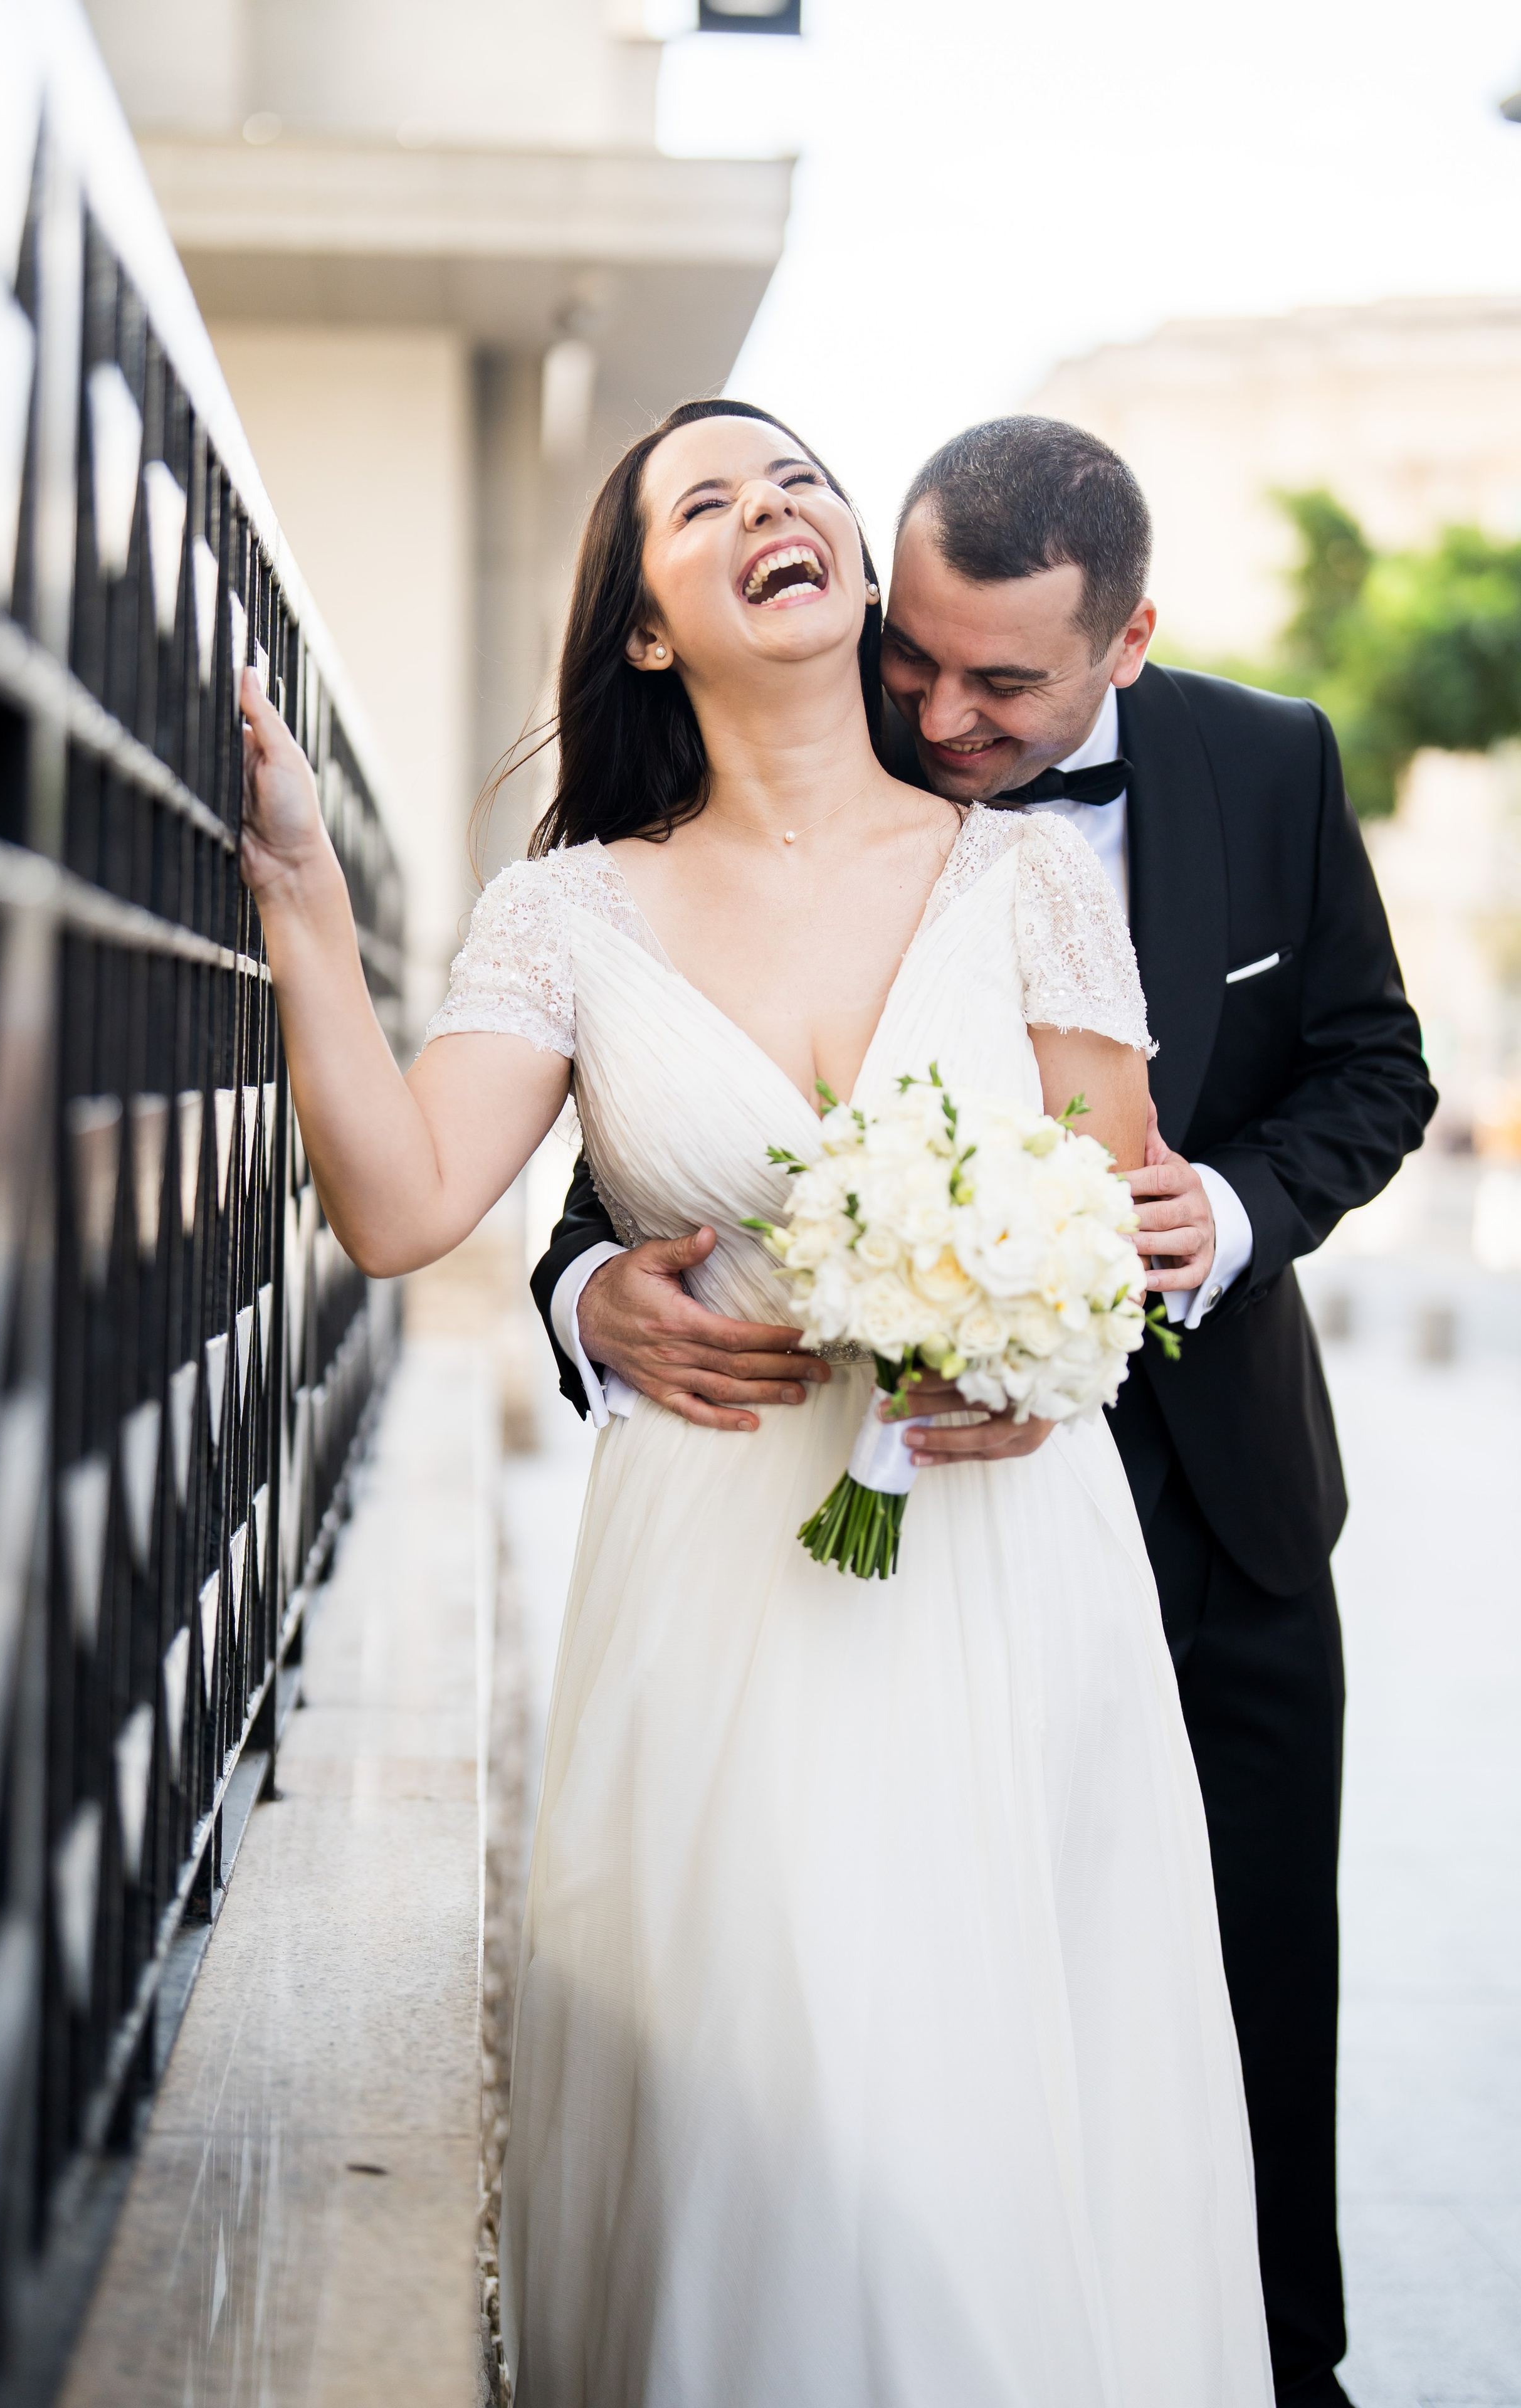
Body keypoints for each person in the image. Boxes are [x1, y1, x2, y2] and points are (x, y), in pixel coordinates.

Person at [240, 398, 1275, 2404]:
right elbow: (398, 1205)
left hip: (999, 1563)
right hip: (722, 1582)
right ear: (646, 626)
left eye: (797, 477)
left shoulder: (1036, 879)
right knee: (775, 2089)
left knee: (989, 2085)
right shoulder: (567, 912)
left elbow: (1108, 1210)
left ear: (859, 565)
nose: (772, 505)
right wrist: (300, 898)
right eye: (703, 503)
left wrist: (1036, 1338)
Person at [533, 415, 1438, 2407]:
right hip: (862, 1542)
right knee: (902, 2011)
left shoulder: (1266, 762)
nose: (936, 712)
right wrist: (586, 1287)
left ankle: (1271, 2373)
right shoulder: (815, 718)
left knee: (1225, 1999)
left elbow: (1374, 1065)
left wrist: (1223, 1214)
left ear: (1126, 645)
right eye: (914, 660)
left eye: (1000, 684)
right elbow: (677, 1114)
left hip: (1217, 1508)